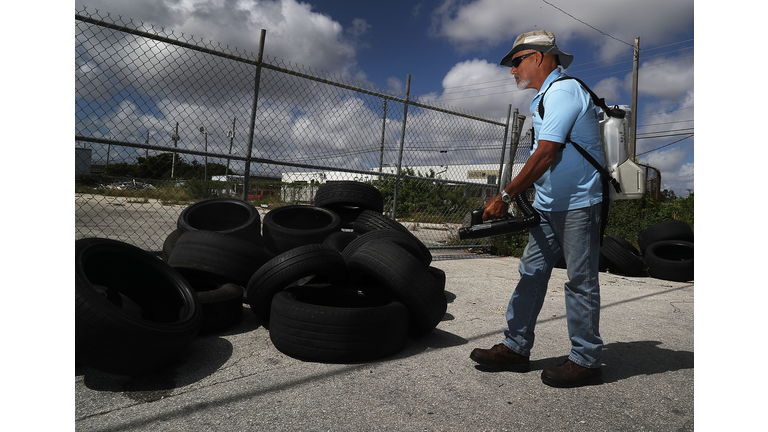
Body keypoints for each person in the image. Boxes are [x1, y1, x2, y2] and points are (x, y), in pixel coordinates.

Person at [469, 30, 605, 388]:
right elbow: (539, 155)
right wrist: (525, 195)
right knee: (531, 273)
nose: (512, 71)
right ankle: (515, 348)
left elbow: (547, 152)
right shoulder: (543, 99)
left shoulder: (563, 91)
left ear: (538, 58)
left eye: (515, 62)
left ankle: (586, 359)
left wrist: (506, 196)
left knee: (580, 282)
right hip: (548, 206)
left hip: (578, 203)